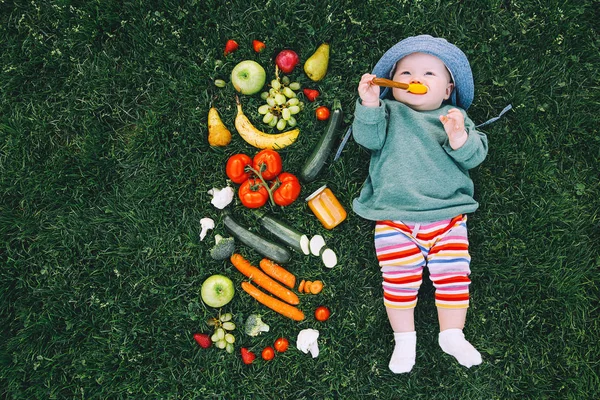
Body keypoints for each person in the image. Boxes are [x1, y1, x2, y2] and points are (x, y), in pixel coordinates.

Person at [352, 35, 487, 373]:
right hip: (395, 217)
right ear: (391, 85)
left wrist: (459, 138)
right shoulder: (389, 112)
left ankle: (452, 334)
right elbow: (367, 139)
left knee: (455, 275)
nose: (415, 79)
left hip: (447, 217)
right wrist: (369, 105)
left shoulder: (454, 116)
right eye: (406, 73)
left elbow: (475, 156)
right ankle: (404, 339)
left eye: (429, 74)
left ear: (446, 90)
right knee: (398, 279)